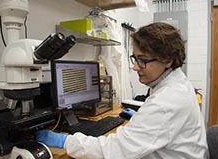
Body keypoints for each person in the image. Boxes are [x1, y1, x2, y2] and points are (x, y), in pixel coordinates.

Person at [36, 22, 209, 159]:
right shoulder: (177, 83)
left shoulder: (167, 101)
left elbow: (113, 152)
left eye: (143, 60)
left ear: (168, 60)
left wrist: (64, 140)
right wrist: (143, 120)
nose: (135, 67)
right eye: (135, 58)